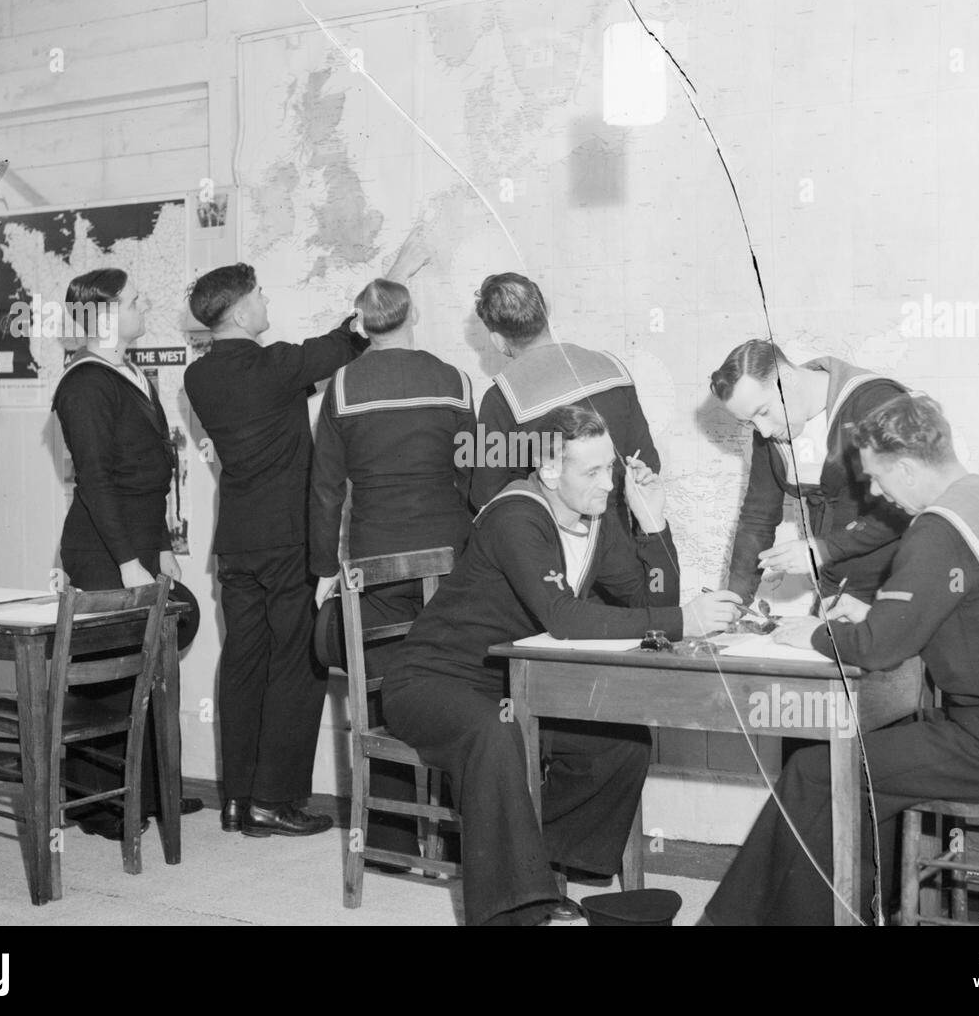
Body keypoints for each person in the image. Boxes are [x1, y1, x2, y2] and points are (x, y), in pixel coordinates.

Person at [701, 393, 979, 924]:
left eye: (875, 477)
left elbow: (879, 648)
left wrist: (813, 635)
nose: (875, 493)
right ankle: (862, 906)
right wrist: (874, 607)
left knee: (815, 770)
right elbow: (961, 604)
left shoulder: (938, 529)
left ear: (906, 467)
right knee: (870, 762)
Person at [382, 405, 740, 926]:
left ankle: (535, 862)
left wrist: (652, 523)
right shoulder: (516, 515)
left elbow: (646, 598)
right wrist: (684, 621)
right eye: (592, 472)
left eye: (610, 469)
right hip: (433, 679)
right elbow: (564, 617)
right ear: (550, 470)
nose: (608, 483)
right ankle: (518, 908)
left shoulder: (596, 519)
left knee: (622, 745)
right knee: (495, 733)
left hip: (513, 684)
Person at [184, 263, 367, 839]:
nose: (268, 302)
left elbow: (291, 381)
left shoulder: (199, 377)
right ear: (239, 312)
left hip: (236, 544)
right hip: (288, 539)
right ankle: (275, 800)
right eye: (261, 295)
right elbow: (342, 346)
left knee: (242, 662)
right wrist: (361, 321)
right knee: (297, 662)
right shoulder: (275, 364)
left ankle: (236, 799)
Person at [309, 277, 475, 862]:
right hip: (451, 556)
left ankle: (388, 839)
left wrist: (322, 567)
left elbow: (326, 486)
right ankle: (456, 841)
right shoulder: (455, 380)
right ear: (414, 312)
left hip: (375, 558)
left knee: (382, 693)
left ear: (361, 323)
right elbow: (471, 476)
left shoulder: (345, 384)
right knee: (456, 686)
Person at [51, 267, 202, 841]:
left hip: (139, 539)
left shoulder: (132, 372)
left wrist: (160, 547)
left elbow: (153, 473)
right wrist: (126, 562)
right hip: (102, 549)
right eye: (135, 299)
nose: (146, 304)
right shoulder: (83, 383)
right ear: (105, 314)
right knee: (109, 678)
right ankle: (99, 805)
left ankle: (149, 789)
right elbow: (94, 480)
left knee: (149, 668)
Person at [709, 339, 912, 620]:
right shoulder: (772, 429)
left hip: (898, 588)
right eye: (749, 422)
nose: (763, 432)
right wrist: (734, 602)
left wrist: (823, 549)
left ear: (787, 378)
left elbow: (905, 504)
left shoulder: (875, 401)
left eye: (763, 412)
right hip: (835, 590)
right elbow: (757, 518)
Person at [469, 272, 659, 522]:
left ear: (497, 341)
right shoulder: (613, 368)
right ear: (545, 312)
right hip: (625, 533)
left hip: (554, 544)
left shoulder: (502, 398)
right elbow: (648, 463)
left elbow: (486, 496)